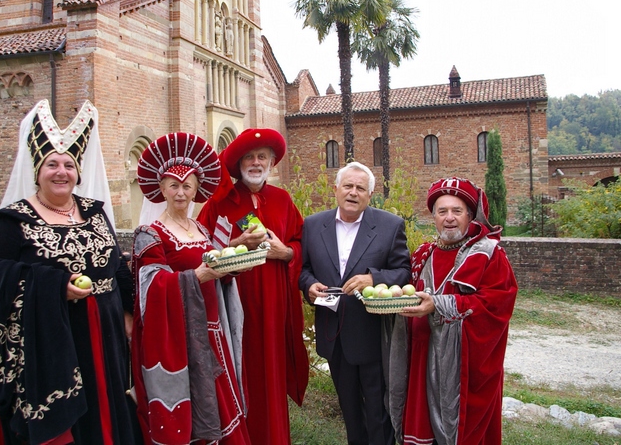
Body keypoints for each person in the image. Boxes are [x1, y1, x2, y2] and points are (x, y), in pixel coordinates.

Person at [0, 99, 137, 445]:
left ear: (78, 172)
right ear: (37, 170)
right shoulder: (14, 220)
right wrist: (55, 285)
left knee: (105, 408)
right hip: (50, 337)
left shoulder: (94, 212)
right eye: (52, 164)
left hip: (105, 335)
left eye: (69, 165)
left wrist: (128, 311)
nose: (61, 172)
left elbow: (114, 263)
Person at [132, 132, 251, 445]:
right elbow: (151, 287)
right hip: (179, 337)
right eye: (173, 185)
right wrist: (196, 276)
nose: (180, 193)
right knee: (193, 414)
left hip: (213, 331)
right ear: (161, 189)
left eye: (187, 186)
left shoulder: (200, 228)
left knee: (222, 406)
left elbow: (214, 268)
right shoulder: (150, 233)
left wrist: (231, 269)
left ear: (197, 190)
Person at [197, 128, 309, 445]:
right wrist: (238, 242)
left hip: (274, 308)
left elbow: (300, 245)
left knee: (271, 376)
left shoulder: (283, 201)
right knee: (239, 372)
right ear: (239, 163)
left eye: (262, 157)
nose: (256, 163)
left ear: (271, 163)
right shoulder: (220, 204)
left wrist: (284, 252)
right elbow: (203, 249)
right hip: (235, 309)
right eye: (250, 156)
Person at [390, 177, 518, 445]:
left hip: (462, 366)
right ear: (433, 217)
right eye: (442, 211)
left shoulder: (488, 254)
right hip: (421, 358)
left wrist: (440, 304)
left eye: (457, 211)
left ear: (470, 216)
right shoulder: (423, 254)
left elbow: (496, 306)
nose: (449, 218)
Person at [299, 161, 410, 445]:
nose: (353, 192)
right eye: (347, 186)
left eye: (361, 188)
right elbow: (305, 269)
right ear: (335, 190)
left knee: (377, 411)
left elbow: (404, 271)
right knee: (349, 410)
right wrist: (309, 285)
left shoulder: (390, 225)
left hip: (372, 335)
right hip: (333, 334)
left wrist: (373, 278)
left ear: (370, 195)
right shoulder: (313, 225)